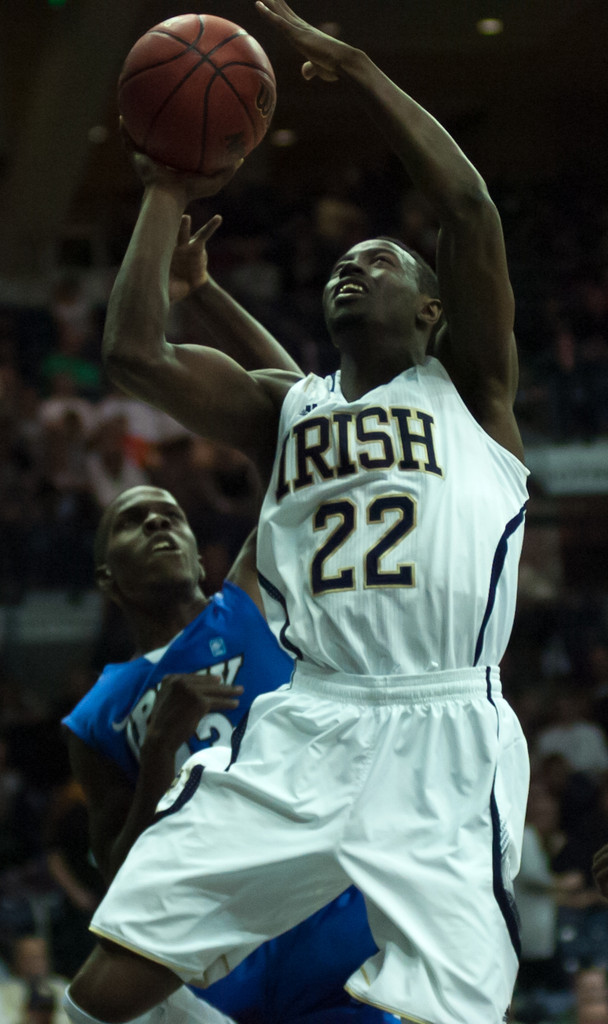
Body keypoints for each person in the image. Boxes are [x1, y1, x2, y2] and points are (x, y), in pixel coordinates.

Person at [65, 2, 530, 1023]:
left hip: (445, 723)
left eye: (380, 259)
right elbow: (134, 354)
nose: (350, 265)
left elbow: (467, 207)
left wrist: (355, 67)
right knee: (104, 989)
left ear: (433, 311)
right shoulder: (288, 409)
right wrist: (163, 189)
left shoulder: (472, 395)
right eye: (340, 262)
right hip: (309, 723)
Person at [62, 230, 393, 1024]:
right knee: (91, 1005)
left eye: (171, 515)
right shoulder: (96, 716)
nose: (161, 524)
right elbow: (116, 880)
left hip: (325, 907)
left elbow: (301, 426)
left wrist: (206, 293)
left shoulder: (247, 598)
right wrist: (154, 757)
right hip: (214, 947)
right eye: (135, 521)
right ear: (107, 579)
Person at [0, 934, 71, 1024]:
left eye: (39, 957)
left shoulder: (63, 988)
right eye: (28, 957)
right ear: (17, 960)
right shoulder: (4, 992)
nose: (35, 963)